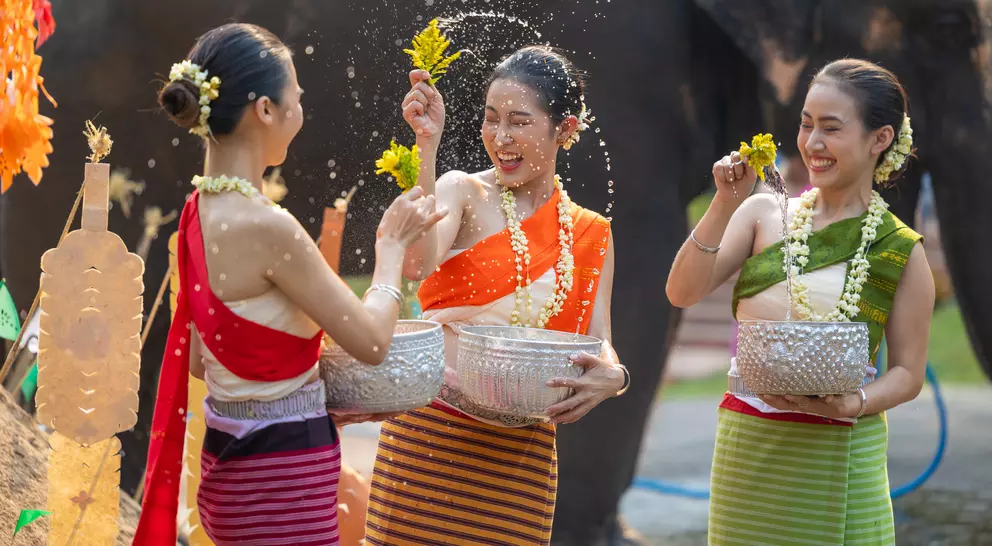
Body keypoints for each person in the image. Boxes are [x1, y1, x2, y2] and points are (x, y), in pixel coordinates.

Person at [134, 23, 445, 546]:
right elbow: (371, 341)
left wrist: (294, 385)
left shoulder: (197, 212)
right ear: (265, 111)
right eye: (295, 99)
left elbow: (199, 359)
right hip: (283, 485)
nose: (301, 111)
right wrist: (389, 251)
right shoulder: (269, 227)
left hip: (229, 472)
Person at [362, 46, 630, 545]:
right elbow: (416, 263)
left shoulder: (591, 232)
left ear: (565, 129)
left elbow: (599, 339)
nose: (500, 138)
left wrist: (614, 377)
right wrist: (426, 145)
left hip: (522, 455)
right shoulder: (462, 190)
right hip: (430, 436)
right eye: (491, 120)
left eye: (519, 122)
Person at [666, 58, 935, 545]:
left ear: (880, 139)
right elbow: (682, 292)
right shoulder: (764, 212)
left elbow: (909, 374)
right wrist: (723, 202)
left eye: (831, 128)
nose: (812, 143)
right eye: (806, 125)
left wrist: (853, 404)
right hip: (749, 449)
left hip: (840, 451)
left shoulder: (900, 249)